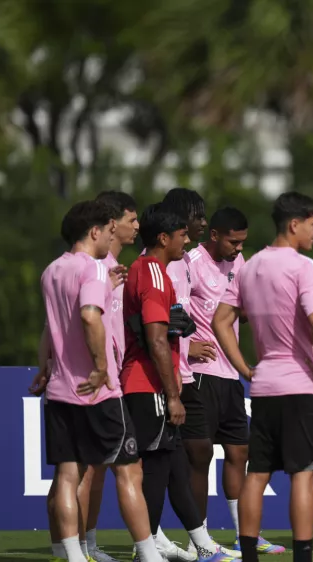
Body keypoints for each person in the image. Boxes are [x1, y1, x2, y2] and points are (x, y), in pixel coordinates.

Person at [212, 191, 313, 562]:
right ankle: (303, 557)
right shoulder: (305, 267)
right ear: (294, 224)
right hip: (303, 386)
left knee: (257, 472)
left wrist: (245, 368)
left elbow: (220, 320)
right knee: (303, 475)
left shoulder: (248, 267)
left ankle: (249, 555)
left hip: (264, 385)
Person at [37, 200, 163, 562]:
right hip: (97, 391)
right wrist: (99, 367)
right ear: (94, 232)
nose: (112, 238)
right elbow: (90, 317)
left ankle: (75, 556)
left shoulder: (50, 271)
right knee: (129, 471)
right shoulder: (92, 269)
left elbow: (50, 328)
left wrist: (43, 367)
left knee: (67, 476)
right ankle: (148, 553)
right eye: (109, 231)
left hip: (60, 390)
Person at [120, 204, 234, 562]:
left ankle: (201, 545)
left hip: (151, 384)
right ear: (164, 238)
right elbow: (154, 339)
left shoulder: (153, 271)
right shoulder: (153, 273)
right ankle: (146, 549)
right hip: (148, 384)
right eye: (182, 234)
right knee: (155, 469)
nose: (187, 240)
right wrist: (172, 395)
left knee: (174, 467)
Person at [180, 207, 286, 556]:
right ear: (214, 235)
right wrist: (186, 344)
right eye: (233, 241)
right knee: (200, 455)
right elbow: (171, 308)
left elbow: (240, 307)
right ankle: (201, 542)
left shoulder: (238, 265)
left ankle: (245, 535)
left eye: (243, 242)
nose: (239, 249)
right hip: (198, 374)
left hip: (229, 372)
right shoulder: (189, 261)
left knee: (239, 451)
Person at [159, 187, 234, 560]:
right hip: (164, 376)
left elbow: (179, 318)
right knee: (162, 459)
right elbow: (149, 323)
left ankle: (198, 541)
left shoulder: (181, 261)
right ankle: (154, 539)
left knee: (199, 451)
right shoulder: (163, 264)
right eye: (196, 215)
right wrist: (187, 347)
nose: (203, 222)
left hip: (185, 375)